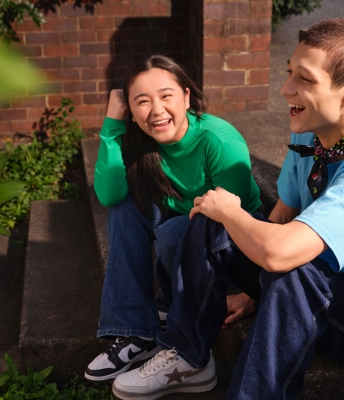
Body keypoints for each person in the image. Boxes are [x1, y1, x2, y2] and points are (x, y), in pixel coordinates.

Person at [111, 18, 344, 400]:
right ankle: (189, 357)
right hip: (314, 286)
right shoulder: (312, 131)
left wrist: (232, 213)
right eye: (289, 72)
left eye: (304, 79)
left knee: (293, 269)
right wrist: (254, 288)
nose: (285, 88)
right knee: (215, 221)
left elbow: (279, 253)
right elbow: (282, 216)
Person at [85, 54, 262, 382]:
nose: (156, 110)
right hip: (178, 219)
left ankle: (173, 315)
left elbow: (231, 219)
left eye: (166, 96)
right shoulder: (139, 139)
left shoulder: (218, 140)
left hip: (230, 236)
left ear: (186, 97)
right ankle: (136, 329)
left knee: (174, 231)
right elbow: (108, 196)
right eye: (142, 101)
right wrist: (111, 129)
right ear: (132, 113)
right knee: (124, 208)